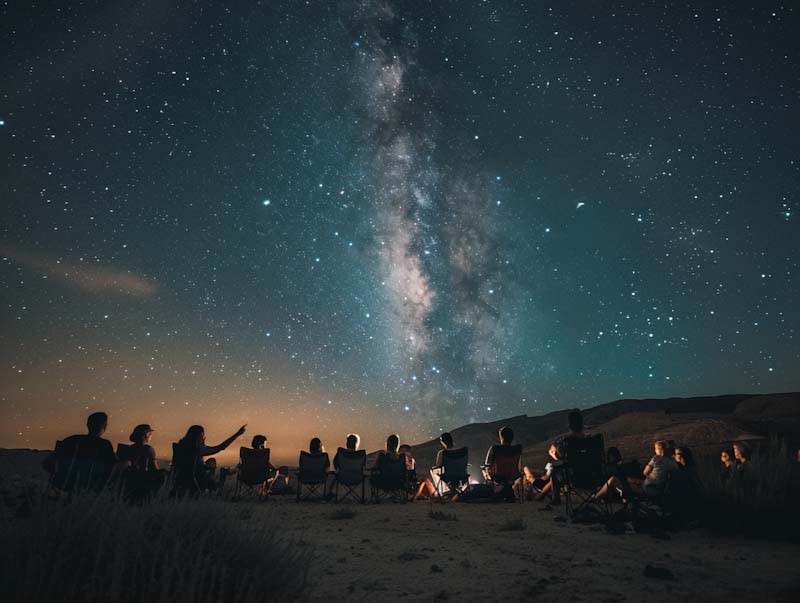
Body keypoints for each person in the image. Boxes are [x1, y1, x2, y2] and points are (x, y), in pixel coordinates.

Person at [43, 412, 126, 490]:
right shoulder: (104, 445)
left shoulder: (71, 440)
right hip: (90, 488)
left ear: (88, 425)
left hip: (62, 485)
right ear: (104, 426)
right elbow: (113, 467)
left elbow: (47, 463)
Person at [172, 424, 246, 494]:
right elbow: (221, 447)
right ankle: (215, 484)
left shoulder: (181, 446)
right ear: (197, 438)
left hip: (180, 477)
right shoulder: (197, 449)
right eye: (202, 436)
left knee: (211, 461)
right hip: (196, 479)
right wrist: (237, 434)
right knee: (219, 469)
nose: (203, 438)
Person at [413, 432, 454, 500]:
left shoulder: (442, 453)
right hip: (459, 475)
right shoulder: (461, 452)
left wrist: (433, 469)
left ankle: (442, 490)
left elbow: (438, 466)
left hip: (446, 476)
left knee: (432, 471)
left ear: (442, 442)